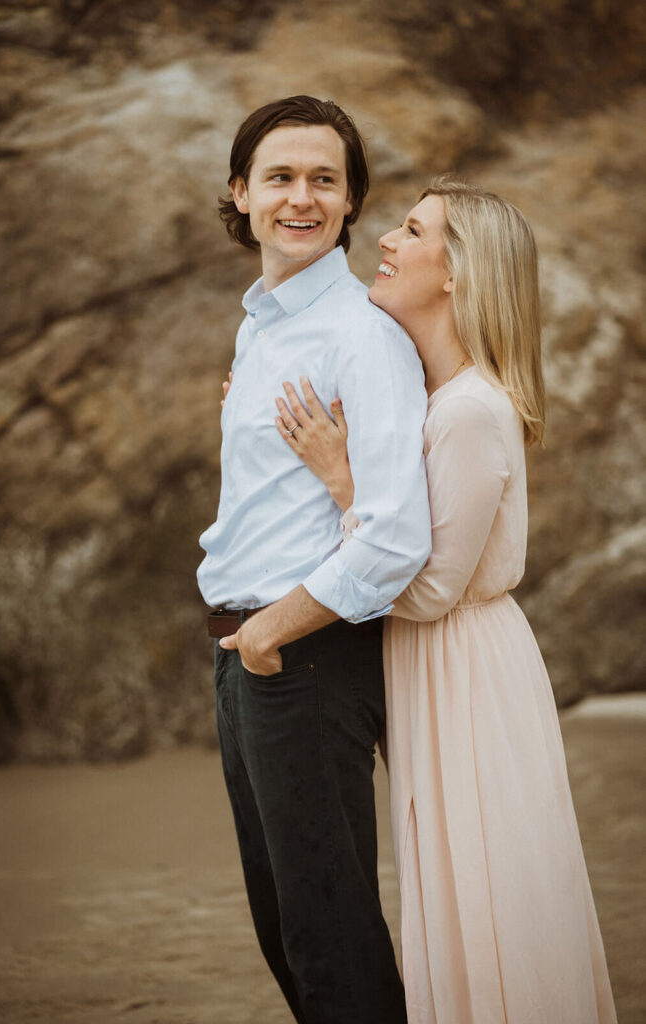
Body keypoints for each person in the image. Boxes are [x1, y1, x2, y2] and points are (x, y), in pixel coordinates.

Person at [267, 179, 617, 1023]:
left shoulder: (465, 412)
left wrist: (344, 478)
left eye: (413, 229)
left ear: (458, 272)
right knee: (457, 884)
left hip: (464, 665)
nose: (385, 239)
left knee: (485, 892)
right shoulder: (431, 401)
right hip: (442, 667)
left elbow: (425, 592)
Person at [196, 95, 432, 1024]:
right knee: (286, 928)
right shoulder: (262, 326)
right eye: (281, 177)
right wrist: (244, 646)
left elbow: (394, 535)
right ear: (241, 191)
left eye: (324, 180)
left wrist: (268, 633)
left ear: (349, 200)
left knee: (328, 934)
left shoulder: (360, 335)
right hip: (247, 654)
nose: (302, 197)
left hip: (305, 650)